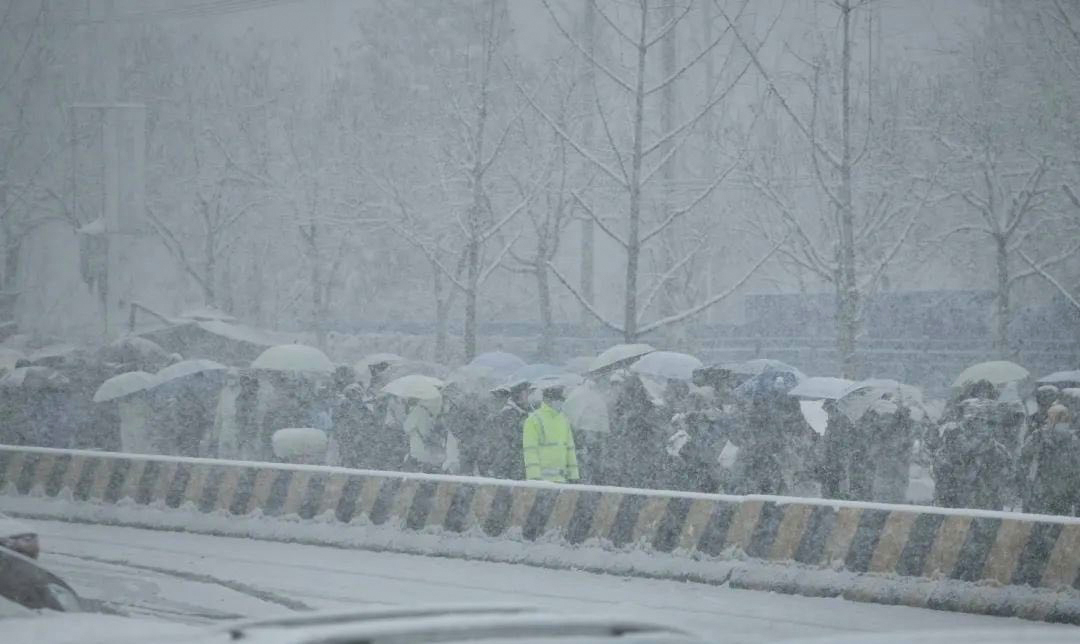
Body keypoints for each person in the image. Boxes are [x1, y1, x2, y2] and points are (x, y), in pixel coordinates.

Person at [1020, 395, 1080, 515]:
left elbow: (1025, 453)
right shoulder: (1072, 439)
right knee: (1056, 524)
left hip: (1045, 490)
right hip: (1060, 491)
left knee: (1041, 523)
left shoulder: (1040, 435)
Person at [522, 385, 579, 483]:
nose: (560, 402)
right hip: (542, 482)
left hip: (562, 480)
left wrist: (574, 476)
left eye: (561, 400)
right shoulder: (534, 420)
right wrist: (534, 477)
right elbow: (530, 450)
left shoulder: (564, 420)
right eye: (557, 399)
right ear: (547, 399)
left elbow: (570, 449)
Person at [480, 382, 530, 479]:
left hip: (511, 463)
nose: (528, 396)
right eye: (526, 393)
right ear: (518, 395)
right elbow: (511, 439)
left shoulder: (521, 412)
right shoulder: (509, 414)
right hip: (507, 464)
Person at [402, 396, 445, 474]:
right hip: (425, 447)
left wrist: (407, 416)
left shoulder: (417, 411)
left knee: (413, 470)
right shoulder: (427, 412)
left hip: (417, 446)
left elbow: (406, 428)